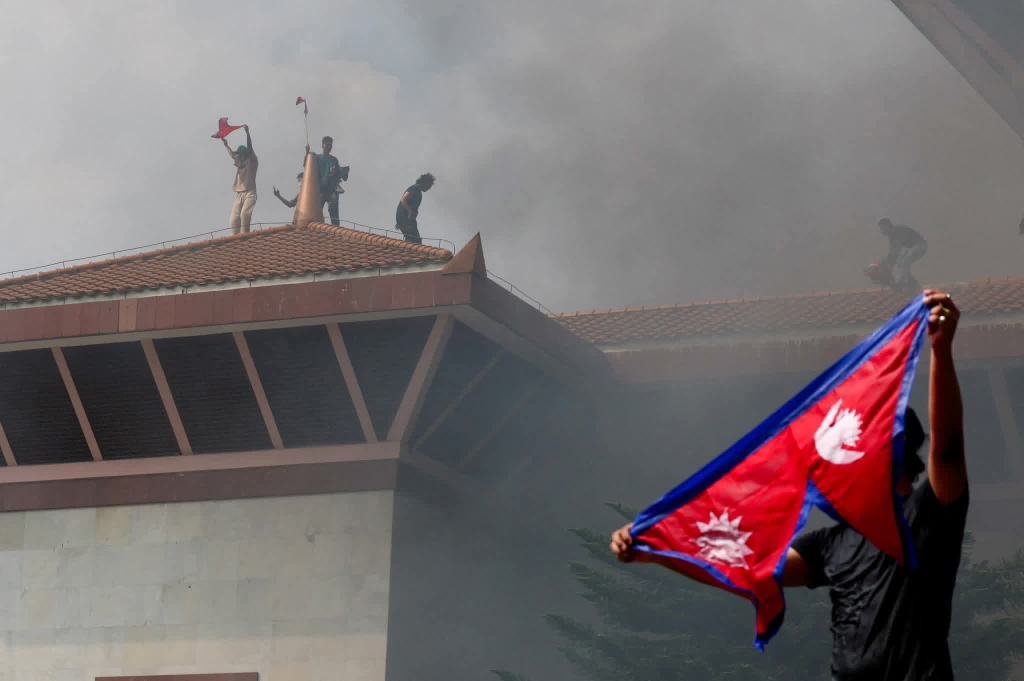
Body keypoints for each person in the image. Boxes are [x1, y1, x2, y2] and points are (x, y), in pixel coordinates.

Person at [611, 290, 967, 681]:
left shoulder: (931, 511)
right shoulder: (832, 543)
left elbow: (948, 447)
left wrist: (940, 350)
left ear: (897, 447)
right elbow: (745, 567)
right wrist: (658, 552)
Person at [304, 136, 348, 226]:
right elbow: (306, 166)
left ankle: (336, 229)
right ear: (322, 145)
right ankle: (315, 228)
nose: (329, 147)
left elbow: (338, 173)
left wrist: (335, 171)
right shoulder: (317, 158)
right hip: (320, 190)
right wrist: (307, 152)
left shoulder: (334, 160)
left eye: (330, 145)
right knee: (316, 212)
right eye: (327, 145)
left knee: (334, 209)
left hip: (331, 190)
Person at [222, 125, 258, 235]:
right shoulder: (239, 161)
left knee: (244, 215)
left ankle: (244, 237)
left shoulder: (252, 160)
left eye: (240, 154)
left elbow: (250, 147)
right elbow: (232, 155)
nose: (238, 156)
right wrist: (226, 145)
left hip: (250, 192)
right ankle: (235, 240)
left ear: (245, 155)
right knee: (234, 219)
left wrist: (247, 133)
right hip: (239, 194)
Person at [878, 218, 928, 289]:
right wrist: (888, 261)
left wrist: (889, 262)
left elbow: (896, 250)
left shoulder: (895, 232)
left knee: (905, 262)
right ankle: (911, 281)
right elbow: (893, 251)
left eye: (882, 228)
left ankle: (904, 282)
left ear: (887, 226)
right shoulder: (892, 235)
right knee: (900, 263)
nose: (881, 231)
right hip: (911, 247)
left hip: (919, 245)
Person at [396, 173, 435, 244]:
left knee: (413, 240)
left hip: (406, 219)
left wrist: (400, 221)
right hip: (405, 219)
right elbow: (403, 200)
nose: (429, 188)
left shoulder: (417, 190)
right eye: (429, 185)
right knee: (416, 241)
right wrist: (409, 211)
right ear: (424, 183)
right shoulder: (415, 188)